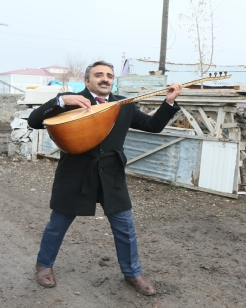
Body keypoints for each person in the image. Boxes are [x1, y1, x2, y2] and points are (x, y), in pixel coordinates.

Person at [27, 60, 183, 296]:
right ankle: (44, 265)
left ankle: (133, 272)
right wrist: (59, 100)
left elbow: (153, 126)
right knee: (57, 225)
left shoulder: (123, 105)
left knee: (125, 227)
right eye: (98, 75)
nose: (104, 79)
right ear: (87, 80)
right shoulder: (71, 101)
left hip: (111, 174)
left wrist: (169, 102)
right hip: (75, 173)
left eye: (109, 75)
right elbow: (33, 121)